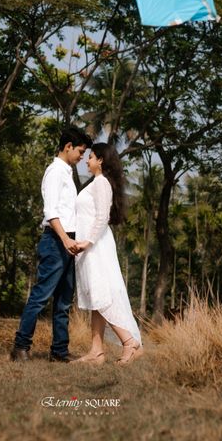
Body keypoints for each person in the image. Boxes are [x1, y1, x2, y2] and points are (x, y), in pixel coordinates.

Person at [10, 126, 93, 362]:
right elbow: (51, 210)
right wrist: (66, 239)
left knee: (64, 301)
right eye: (80, 151)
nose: (82, 157)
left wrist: (73, 241)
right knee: (40, 296)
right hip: (56, 241)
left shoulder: (67, 172)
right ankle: (20, 346)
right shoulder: (55, 172)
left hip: (68, 243)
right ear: (68, 147)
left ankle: (59, 351)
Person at [71, 143, 143, 365]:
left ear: (101, 160)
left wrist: (87, 243)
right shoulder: (96, 183)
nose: (86, 160)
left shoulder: (101, 183)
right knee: (96, 296)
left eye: (90, 157)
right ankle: (96, 351)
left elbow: (102, 217)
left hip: (95, 246)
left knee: (101, 295)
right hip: (91, 246)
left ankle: (129, 342)